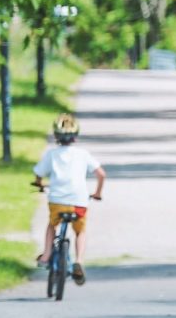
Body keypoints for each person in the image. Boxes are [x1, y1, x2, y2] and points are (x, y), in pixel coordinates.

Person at [33, 113, 106, 286]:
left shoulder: (52, 154)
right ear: (75, 136)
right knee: (80, 231)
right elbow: (101, 174)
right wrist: (97, 193)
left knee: (52, 224)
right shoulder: (83, 154)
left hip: (57, 200)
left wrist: (38, 183)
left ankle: (46, 254)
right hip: (79, 202)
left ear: (56, 136)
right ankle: (79, 261)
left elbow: (38, 173)